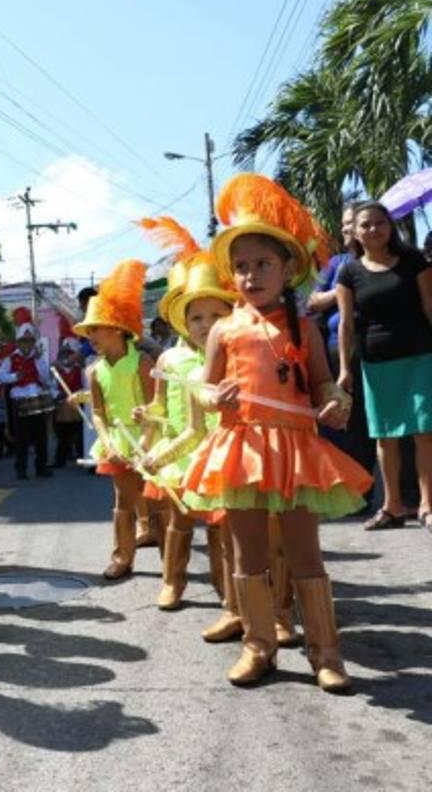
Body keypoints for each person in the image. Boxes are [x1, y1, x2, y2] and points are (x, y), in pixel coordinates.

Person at [184, 173, 371, 693]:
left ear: (287, 268)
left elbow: (321, 383)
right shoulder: (224, 329)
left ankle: (325, 653)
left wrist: (335, 400)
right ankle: (258, 646)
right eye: (240, 267)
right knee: (248, 555)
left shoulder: (303, 326)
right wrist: (210, 397)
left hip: (293, 449)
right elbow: (203, 387)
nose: (250, 275)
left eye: (262, 264)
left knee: (304, 553)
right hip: (241, 447)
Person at [139, 251, 237, 611]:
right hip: (181, 455)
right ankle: (172, 583)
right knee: (179, 522)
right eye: (195, 317)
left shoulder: (234, 354)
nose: (205, 324)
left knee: (220, 527)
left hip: (223, 455)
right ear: (181, 321)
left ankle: (225, 588)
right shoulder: (168, 360)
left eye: (215, 315)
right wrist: (146, 413)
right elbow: (161, 406)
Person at [336, 201, 432, 531]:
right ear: (355, 232)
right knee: (385, 437)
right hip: (376, 364)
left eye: (380, 223)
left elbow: (430, 307)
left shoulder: (413, 262)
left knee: (424, 432)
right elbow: (345, 325)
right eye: (365, 225)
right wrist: (345, 369)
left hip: (420, 357)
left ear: (390, 227)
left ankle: (427, 504)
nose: (373, 229)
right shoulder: (348, 272)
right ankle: (392, 506)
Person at [73, 259, 154, 581]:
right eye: (88, 329)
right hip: (118, 444)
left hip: (150, 442)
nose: (90, 334)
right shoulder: (95, 370)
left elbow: (154, 407)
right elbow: (99, 412)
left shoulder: (143, 362)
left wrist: (146, 443)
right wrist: (107, 444)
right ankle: (122, 558)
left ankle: (173, 572)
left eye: (97, 327)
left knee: (158, 503)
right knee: (123, 501)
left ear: (119, 329)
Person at [307, 204, 376, 515]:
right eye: (346, 223)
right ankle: (352, 495)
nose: (349, 228)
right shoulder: (336, 264)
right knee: (344, 425)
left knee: (373, 424)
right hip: (338, 352)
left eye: (354, 223)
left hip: (378, 350)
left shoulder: (385, 261)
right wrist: (344, 289)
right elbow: (312, 302)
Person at [0, 307, 56, 479]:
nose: (27, 344)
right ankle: (21, 469)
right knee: (22, 438)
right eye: (24, 341)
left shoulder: (38, 359)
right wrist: (15, 376)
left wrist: (38, 362)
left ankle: (41, 467)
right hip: (20, 401)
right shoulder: (10, 359)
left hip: (37, 400)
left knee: (40, 437)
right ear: (18, 342)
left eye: (30, 341)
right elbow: (0, 377)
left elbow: (45, 378)